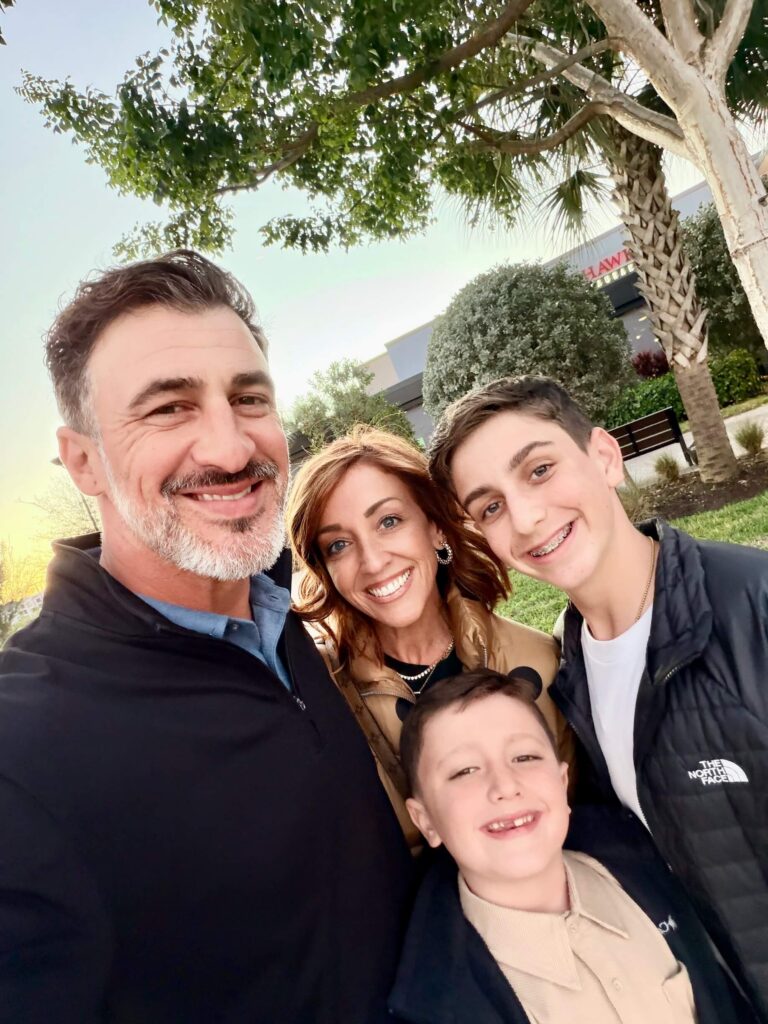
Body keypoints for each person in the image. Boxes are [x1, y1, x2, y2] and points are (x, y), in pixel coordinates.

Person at [0, 250, 414, 1024]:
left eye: (249, 398)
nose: (230, 448)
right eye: (168, 408)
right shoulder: (22, 750)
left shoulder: (287, 617)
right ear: (83, 461)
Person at [428, 374, 768, 1019]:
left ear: (605, 457)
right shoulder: (567, 672)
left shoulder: (754, 607)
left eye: (540, 470)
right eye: (490, 507)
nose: (526, 517)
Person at [388, 668, 752, 1024]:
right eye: (464, 770)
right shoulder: (434, 1002)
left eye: (525, 757)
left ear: (562, 782)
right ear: (425, 820)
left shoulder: (648, 865)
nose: (505, 786)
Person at [287, 427, 571, 843]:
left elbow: (576, 817)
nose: (373, 561)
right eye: (339, 545)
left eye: (388, 522)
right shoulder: (320, 695)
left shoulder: (540, 662)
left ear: (435, 527)